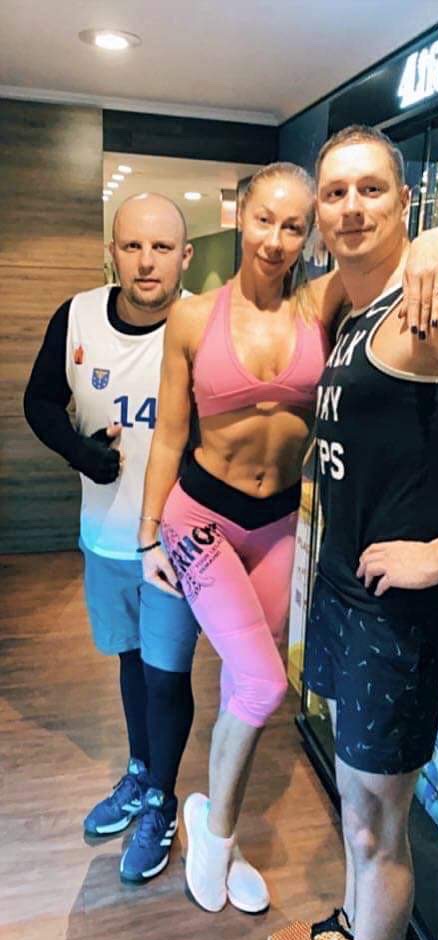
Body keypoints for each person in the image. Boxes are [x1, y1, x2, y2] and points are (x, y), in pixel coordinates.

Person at [138, 160, 438, 916]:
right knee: (264, 684)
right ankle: (216, 838)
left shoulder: (321, 301)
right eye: (265, 220)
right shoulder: (194, 318)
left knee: (244, 685)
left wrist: (435, 240)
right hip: (201, 519)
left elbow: (397, 263)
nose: (277, 239)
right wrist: (148, 535)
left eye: (294, 226)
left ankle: (213, 815)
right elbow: (167, 435)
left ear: (310, 235)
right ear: (241, 217)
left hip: (277, 525)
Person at [266, 126, 438, 940]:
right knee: (356, 805)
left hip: (398, 613)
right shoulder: (362, 298)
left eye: (371, 188)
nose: (350, 207)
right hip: (347, 592)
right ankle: (350, 927)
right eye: (335, 193)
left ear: (405, 199)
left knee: (378, 826)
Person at [24, 193, 201, 884]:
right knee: (130, 661)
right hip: (104, 536)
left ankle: (162, 800)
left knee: (166, 675)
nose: (146, 261)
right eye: (133, 246)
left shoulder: (203, 325)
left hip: (176, 544)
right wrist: (80, 451)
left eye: (162, 247)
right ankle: (140, 771)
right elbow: (40, 400)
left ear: (185, 257)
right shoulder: (76, 316)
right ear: (112, 252)